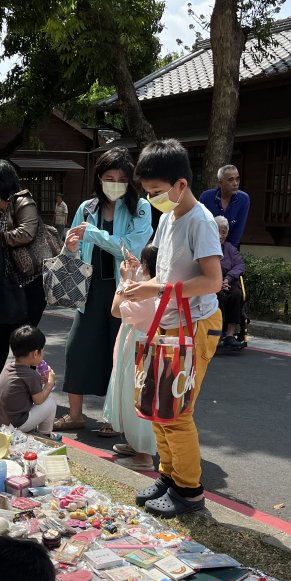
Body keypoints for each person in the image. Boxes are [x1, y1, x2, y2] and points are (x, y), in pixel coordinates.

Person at [126, 139, 223, 517]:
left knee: (176, 410)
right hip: (171, 322)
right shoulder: (167, 218)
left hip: (196, 323)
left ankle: (189, 492)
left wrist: (157, 288)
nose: (153, 199)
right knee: (158, 405)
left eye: (157, 192)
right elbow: (165, 269)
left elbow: (213, 281)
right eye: (148, 193)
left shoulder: (200, 221)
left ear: (181, 184)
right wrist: (144, 280)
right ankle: (168, 475)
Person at [54, 148, 153, 432]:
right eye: (110, 177)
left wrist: (93, 234)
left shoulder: (141, 207)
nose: (116, 183)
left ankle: (114, 419)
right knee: (78, 350)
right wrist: (70, 247)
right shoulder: (87, 208)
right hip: (90, 289)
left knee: (120, 353)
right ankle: (75, 415)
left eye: (122, 178)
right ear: (99, 178)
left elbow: (132, 247)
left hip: (125, 289)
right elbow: (71, 247)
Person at [0, 160, 47, 392]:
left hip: (29, 280)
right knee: (0, 330)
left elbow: (26, 233)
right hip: (6, 281)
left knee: (25, 335)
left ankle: (30, 384)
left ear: (2, 183)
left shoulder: (24, 201)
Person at [104, 244, 159, 470]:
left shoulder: (147, 298)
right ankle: (137, 445)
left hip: (139, 353)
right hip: (139, 350)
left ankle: (144, 455)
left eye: (143, 266)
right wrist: (134, 275)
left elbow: (116, 310)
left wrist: (123, 281)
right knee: (132, 397)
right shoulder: (156, 290)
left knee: (137, 400)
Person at [0, 325, 58, 436]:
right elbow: (39, 400)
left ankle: (33, 431)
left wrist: (42, 382)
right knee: (50, 404)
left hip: (0, 422)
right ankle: (45, 435)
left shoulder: (8, 367)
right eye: (42, 350)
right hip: (16, 425)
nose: (44, 353)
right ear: (35, 354)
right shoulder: (31, 375)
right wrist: (50, 384)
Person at [213, 215, 245, 350]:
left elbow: (240, 265)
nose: (221, 235)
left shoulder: (230, 249)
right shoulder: (207, 247)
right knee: (218, 296)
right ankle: (218, 333)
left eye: (224, 232)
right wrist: (218, 282)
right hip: (211, 283)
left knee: (237, 294)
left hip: (228, 281)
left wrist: (227, 279)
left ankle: (230, 334)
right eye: (217, 231)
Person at [198, 164, 250, 247]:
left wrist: (228, 253)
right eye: (230, 180)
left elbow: (238, 229)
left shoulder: (243, 199)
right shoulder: (206, 197)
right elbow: (201, 227)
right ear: (220, 183)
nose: (235, 183)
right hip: (206, 246)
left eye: (237, 179)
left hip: (231, 247)